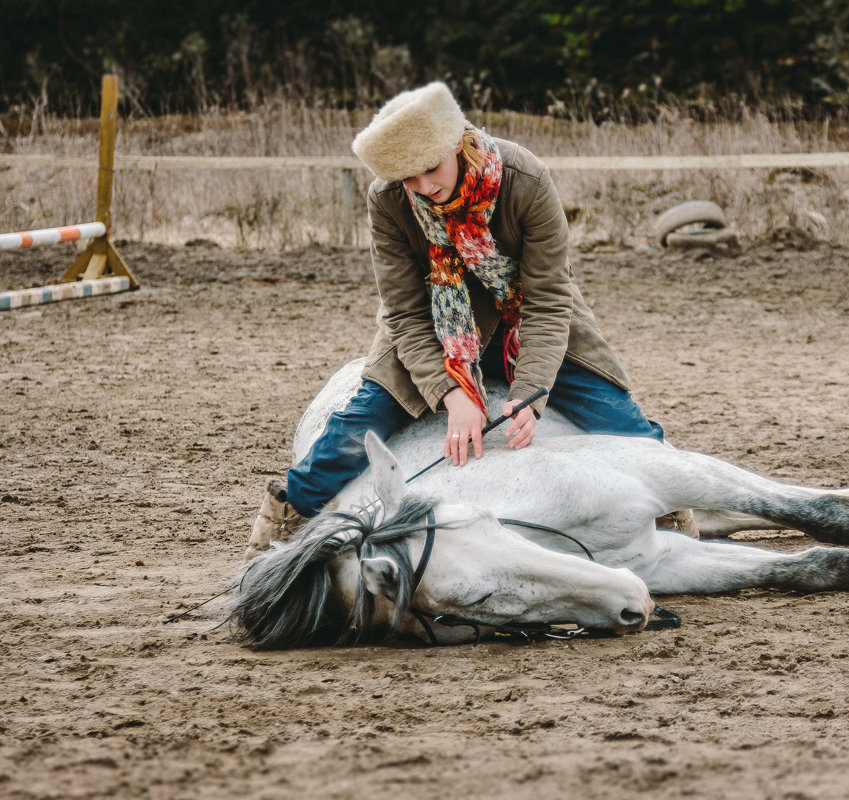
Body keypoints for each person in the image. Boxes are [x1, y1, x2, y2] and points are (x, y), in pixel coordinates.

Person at [247, 81, 694, 560]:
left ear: (455, 143)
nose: (424, 187)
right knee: (354, 431)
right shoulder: (387, 201)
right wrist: (451, 392)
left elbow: (548, 297)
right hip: (433, 337)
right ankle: (283, 518)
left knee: (624, 423)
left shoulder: (526, 178)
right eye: (408, 179)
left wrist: (532, 390)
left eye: (429, 169)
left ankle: (678, 511)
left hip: (531, 325)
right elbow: (403, 311)